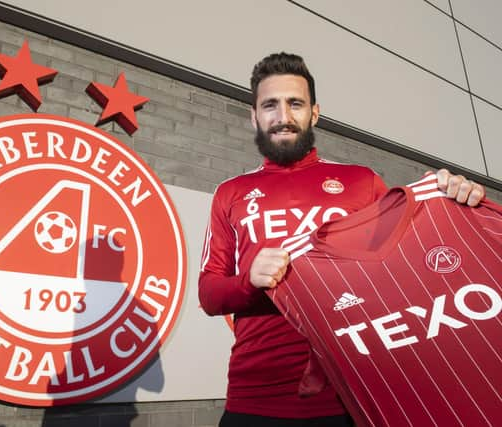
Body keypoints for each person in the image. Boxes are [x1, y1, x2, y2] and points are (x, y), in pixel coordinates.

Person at [198, 52, 485, 427]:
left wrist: (453, 204)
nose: (283, 117)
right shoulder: (230, 192)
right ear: (254, 116)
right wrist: (249, 280)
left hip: (351, 395)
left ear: (314, 113)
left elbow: (412, 269)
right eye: (270, 105)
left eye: (295, 103)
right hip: (255, 399)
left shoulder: (362, 182)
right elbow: (209, 293)